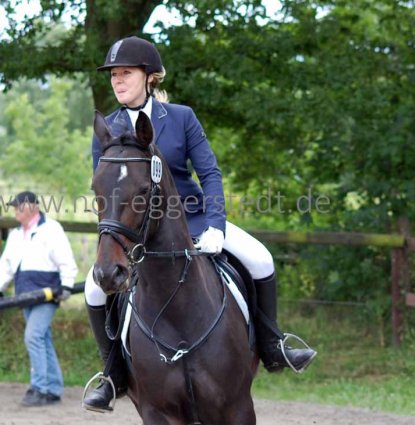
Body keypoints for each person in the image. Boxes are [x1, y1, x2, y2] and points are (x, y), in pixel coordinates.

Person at [82, 36, 317, 412]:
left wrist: (216, 225)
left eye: (126, 72)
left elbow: (209, 172)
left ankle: (273, 345)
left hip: (193, 218)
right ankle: (112, 375)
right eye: (113, 74)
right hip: (137, 230)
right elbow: (108, 189)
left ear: (150, 76)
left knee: (261, 259)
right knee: (94, 290)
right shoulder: (106, 129)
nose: (117, 80)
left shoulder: (180, 118)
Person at [0, 190, 78, 407]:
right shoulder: (15, 235)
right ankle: (53, 389)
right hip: (24, 293)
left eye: (20, 206)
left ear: (33, 207)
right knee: (42, 338)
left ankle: (39, 388)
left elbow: (65, 258)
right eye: (15, 207)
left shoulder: (51, 229)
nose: (16, 210)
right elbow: (6, 264)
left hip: (47, 293)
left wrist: (67, 283)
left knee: (33, 336)